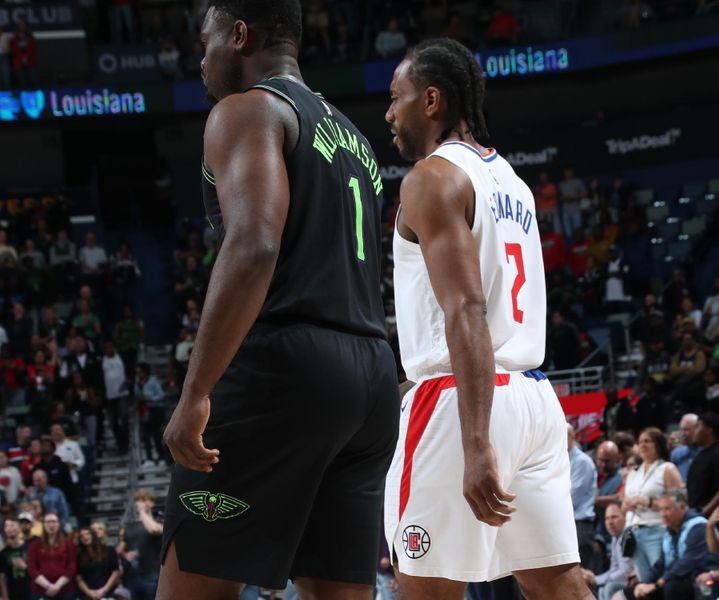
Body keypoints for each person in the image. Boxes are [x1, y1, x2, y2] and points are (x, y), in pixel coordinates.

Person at [158, 1, 398, 599]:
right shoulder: (356, 138)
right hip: (370, 378)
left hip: (286, 369)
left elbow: (254, 246)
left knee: (192, 586)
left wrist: (195, 393)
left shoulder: (246, 110)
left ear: (240, 35)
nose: (201, 56)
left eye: (206, 39)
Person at [383, 38, 590, 599]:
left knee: (425, 587)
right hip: (534, 400)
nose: (388, 113)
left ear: (430, 101)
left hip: (463, 402)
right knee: (560, 583)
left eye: (395, 98)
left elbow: (465, 308)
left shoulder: (431, 177)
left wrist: (476, 443)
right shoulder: (513, 183)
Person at [613, 489, 719, 600]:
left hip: (703, 581)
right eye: (660, 510)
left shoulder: (698, 527)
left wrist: (658, 584)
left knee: (672, 587)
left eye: (667, 509)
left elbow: (686, 564)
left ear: (682, 507)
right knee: (624, 595)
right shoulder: (669, 531)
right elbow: (660, 564)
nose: (662, 514)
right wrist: (644, 584)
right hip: (676, 579)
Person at [622, 428, 683, 583]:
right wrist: (626, 506)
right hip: (633, 531)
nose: (642, 444)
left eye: (647, 441)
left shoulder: (667, 469)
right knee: (644, 582)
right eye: (640, 441)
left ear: (658, 444)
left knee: (661, 578)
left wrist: (648, 502)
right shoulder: (633, 472)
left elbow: (681, 501)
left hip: (657, 529)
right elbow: (624, 503)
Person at [686, 412, 719, 516]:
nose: (694, 431)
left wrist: (703, 513)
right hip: (696, 513)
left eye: (697, 427)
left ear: (709, 430)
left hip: (715, 518)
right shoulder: (700, 455)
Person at [581, 502, 633, 600]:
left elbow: (625, 571)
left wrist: (596, 579)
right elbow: (613, 569)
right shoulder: (615, 538)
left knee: (609, 587)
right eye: (607, 518)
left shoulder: (627, 536)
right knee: (602, 589)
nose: (610, 522)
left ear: (625, 517)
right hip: (622, 580)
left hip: (634, 581)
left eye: (614, 517)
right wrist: (596, 579)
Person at [119, 490, 162, 600]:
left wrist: (143, 512)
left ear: (151, 503)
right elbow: (121, 549)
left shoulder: (160, 522)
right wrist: (125, 554)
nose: (139, 503)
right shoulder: (129, 526)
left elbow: (153, 530)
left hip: (153, 574)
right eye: (137, 500)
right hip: (134, 575)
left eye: (143, 500)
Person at [568, 424, 598, 568]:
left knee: (583, 576)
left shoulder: (582, 461)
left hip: (580, 525)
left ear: (572, 437)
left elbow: (573, 497)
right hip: (568, 523)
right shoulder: (560, 459)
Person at [27, 512, 76, 600]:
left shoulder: (68, 544)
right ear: (43, 524)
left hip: (64, 588)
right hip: (40, 589)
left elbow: (71, 566)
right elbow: (32, 568)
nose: (51, 525)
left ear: (59, 524)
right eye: (48, 522)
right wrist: (48, 586)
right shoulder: (34, 544)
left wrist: (57, 586)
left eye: (54, 521)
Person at [75, 527, 120, 600]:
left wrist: (104, 590)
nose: (85, 537)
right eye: (81, 536)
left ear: (93, 535)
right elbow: (79, 577)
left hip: (108, 593)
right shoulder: (79, 555)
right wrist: (89, 592)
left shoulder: (109, 550)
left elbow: (115, 572)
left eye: (87, 534)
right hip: (87, 594)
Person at [0, 517, 31, 600]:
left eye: (12, 525)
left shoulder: (30, 547)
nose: (9, 528)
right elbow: (2, 578)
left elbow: (38, 571)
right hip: (13, 593)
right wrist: (5, 597)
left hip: (31, 592)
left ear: (19, 528)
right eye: (6, 526)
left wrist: (25, 567)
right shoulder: (3, 553)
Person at [669, 414, 699, 482]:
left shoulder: (707, 451)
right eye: (681, 429)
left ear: (697, 429)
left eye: (686, 430)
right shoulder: (676, 453)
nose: (682, 433)